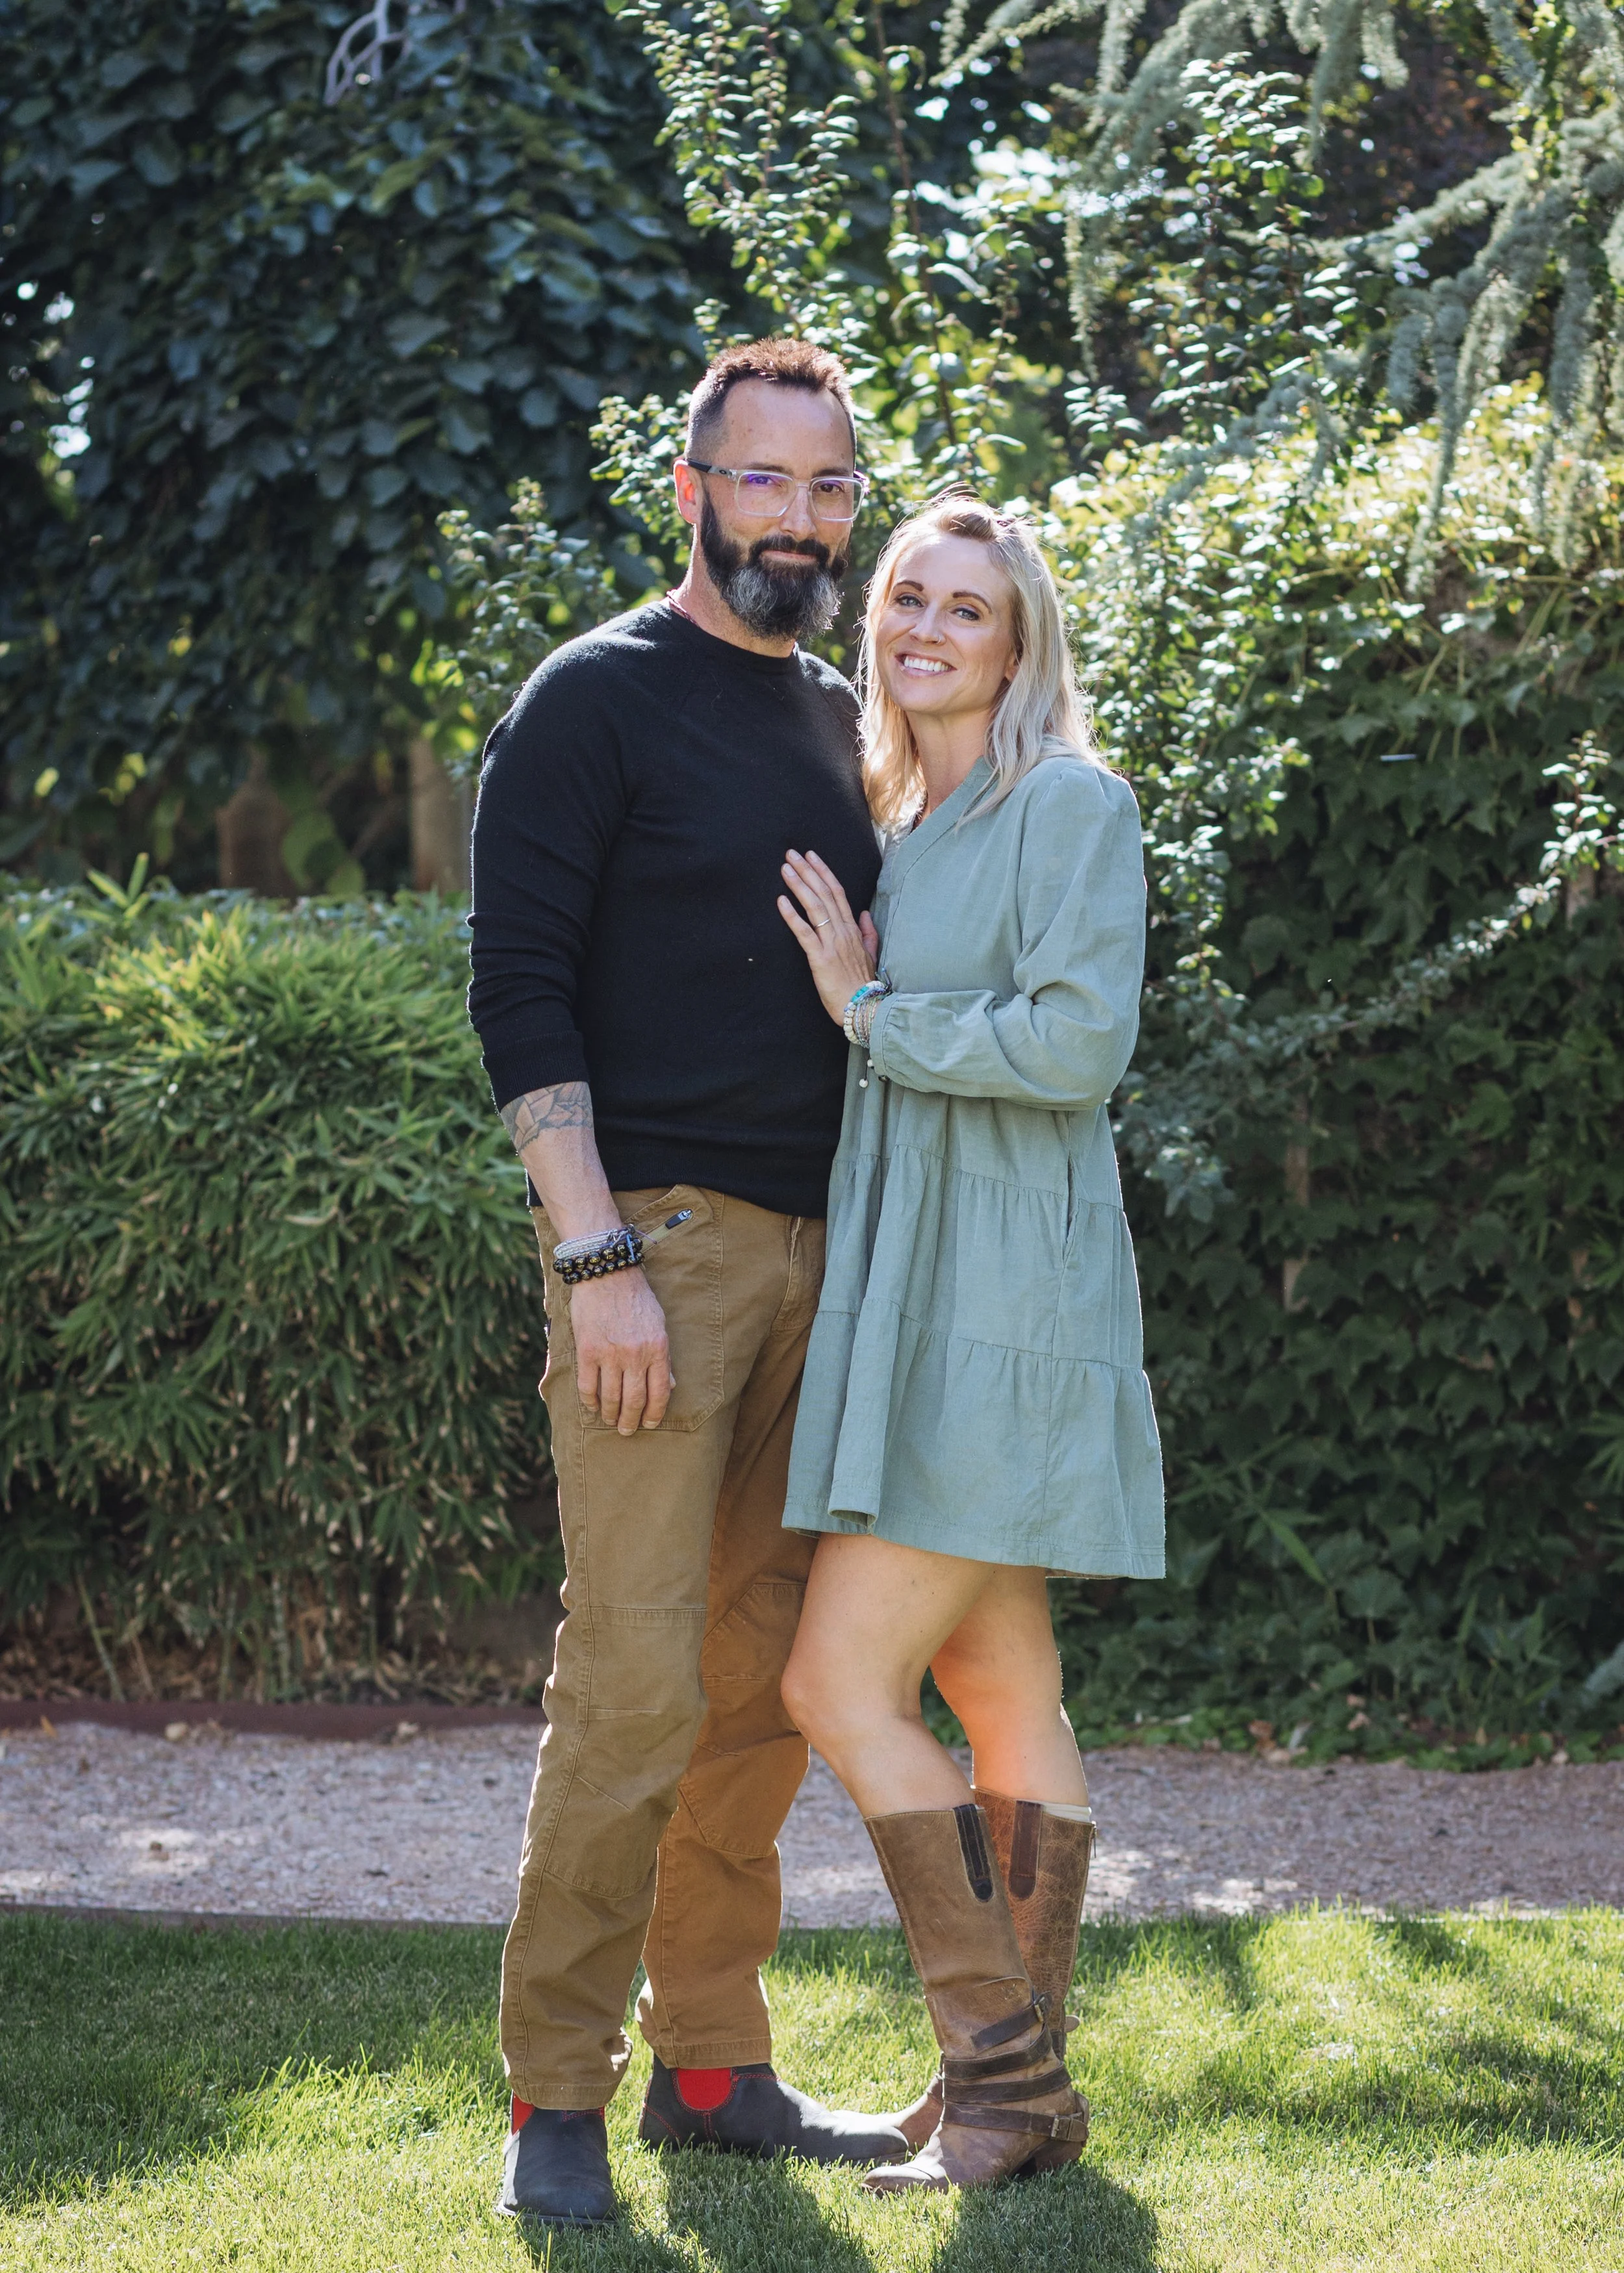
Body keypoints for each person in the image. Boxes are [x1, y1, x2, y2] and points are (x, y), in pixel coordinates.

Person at [466, 337, 910, 2229]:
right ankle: (551, 2101)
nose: (798, 525)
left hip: (836, 1258)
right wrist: (595, 1255)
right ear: (692, 490)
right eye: (764, 484)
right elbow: (518, 987)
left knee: (764, 1689)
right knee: (637, 1683)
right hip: (656, 1249)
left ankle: (712, 2070)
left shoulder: (841, 719)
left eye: (827, 492)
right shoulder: (592, 700)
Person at [774, 492, 1165, 2194]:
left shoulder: (1068, 802)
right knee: (997, 1681)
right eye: (905, 599)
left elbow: (1077, 1047)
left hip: (1001, 1304)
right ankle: (1020, 2095)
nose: (923, 626)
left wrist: (866, 1009)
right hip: (930, 1288)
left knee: (833, 1681)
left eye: (965, 610)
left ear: (1020, 649)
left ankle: (992, 2065)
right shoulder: (912, 822)